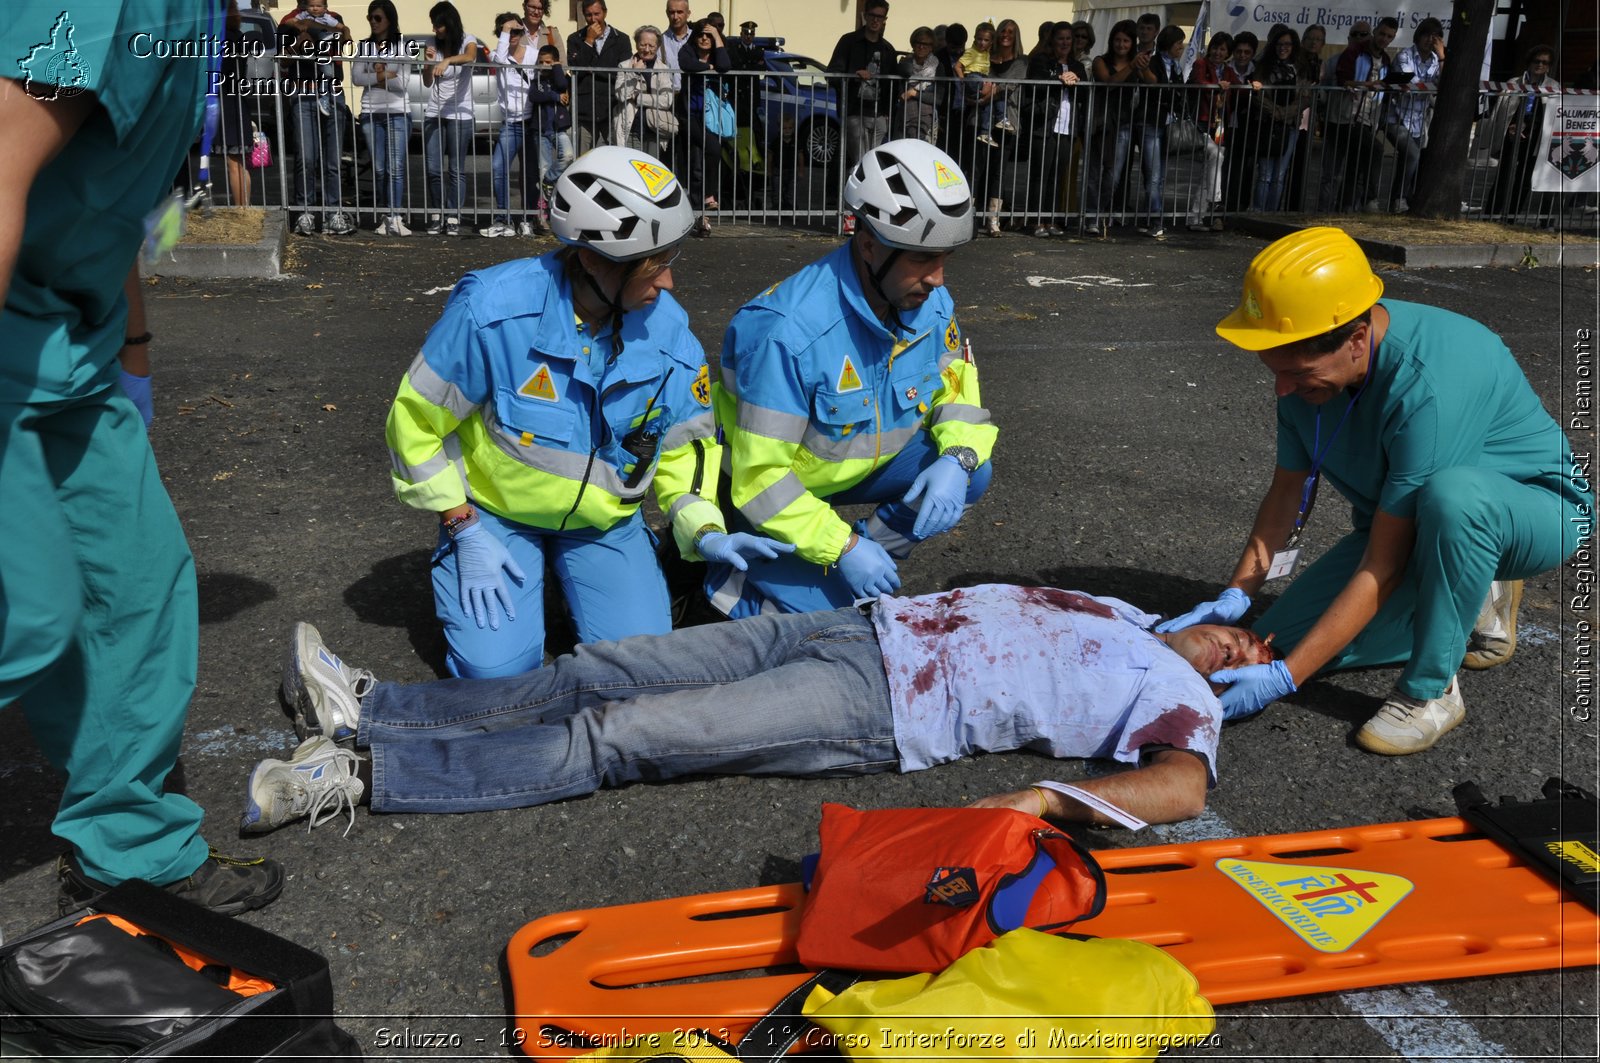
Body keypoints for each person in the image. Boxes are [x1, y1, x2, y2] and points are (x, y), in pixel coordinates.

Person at [242, 586, 1280, 834]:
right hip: (841, 623)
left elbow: (1182, 788)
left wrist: (1030, 805)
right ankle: (379, 706)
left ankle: (366, 775)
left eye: (1255, 655)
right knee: (595, 668)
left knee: (627, 736)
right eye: (1243, 629)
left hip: (878, 702)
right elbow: (1242, 580)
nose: (1242, 642)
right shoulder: (1129, 613)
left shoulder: (1185, 697)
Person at [2, 0, 283, 915]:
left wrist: (133, 354)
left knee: (136, 586)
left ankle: (128, 851)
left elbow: (106, 201)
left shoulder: (190, 10)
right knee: (25, 615)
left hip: (65, 346)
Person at [1165, 227, 1592, 755]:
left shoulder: (1431, 381)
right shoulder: (1308, 375)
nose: (1282, 389)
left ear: (1357, 340)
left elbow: (1385, 562)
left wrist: (1289, 680)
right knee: (1273, 645)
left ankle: (1432, 689)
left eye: (1297, 373)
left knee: (1453, 498)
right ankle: (1467, 589)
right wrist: (1237, 595)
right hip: (1410, 529)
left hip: (1530, 514)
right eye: (1274, 370)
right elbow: (1284, 494)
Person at [381, 147, 783, 683]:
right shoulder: (493, 313)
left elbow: (685, 451)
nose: (668, 285)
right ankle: (518, 581)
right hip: (495, 518)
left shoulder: (670, 337)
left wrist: (706, 531)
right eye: (654, 266)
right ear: (593, 260)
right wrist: (462, 525)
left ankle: (573, 584)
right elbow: (414, 425)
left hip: (603, 525)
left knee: (640, 670)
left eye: (670, 261)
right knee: (496, 674)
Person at [706, 140, 995, 619]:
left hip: (848, 472)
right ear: (868, 245)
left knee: (971, 473)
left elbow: (957, 397)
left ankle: (865, 549)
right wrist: (840, 549)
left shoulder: (930, 304)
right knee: (838, 626)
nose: (939, 279)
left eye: (944, 258)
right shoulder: (787, 332)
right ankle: (728, 578)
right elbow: (760, 481)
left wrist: (959, 458)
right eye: (923, 259)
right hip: (766, 495)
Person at [280, 0, 355, 234]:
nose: (315, 7)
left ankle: (334, 214)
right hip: (303, 92)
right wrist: (298, 44)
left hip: (332, 92)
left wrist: (334, 32)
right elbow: (282, 59)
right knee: (307, 157)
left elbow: (344, 43)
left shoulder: (333, 17)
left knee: (333, 160)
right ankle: (305, 213)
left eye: (319, 4)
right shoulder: (288, 20)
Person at [352, 0, 411, 235]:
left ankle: (395, 215)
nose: (373, 22)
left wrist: (375, 73)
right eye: (370, 18)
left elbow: (402, 83)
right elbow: (356, 78)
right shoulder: (364, 46)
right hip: (370, 112)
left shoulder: (403, 46)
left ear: (389, 19)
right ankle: (386, 215)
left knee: (395, 167)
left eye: (378, 18)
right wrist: (384, 74)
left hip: (397, 112)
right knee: (378, 169)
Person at [1022, 23, 1084, 236]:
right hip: (1045, 125)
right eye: (1061, 38)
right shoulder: (1041, 61)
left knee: (1058, 176)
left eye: (1068, 38)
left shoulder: (1077, 64)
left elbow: (1084, 93)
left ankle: (1052, 220)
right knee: (1041, 174)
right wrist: (1058, 79)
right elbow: (1034, 83)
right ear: (1053, 41)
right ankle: (1037, 220)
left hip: (1068, 127)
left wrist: (1076, 79)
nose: (1065, 43)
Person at [421, 1, 477, 236]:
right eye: (433, 25)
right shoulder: (433, 43)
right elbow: (427, 81)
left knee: (456, 168)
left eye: (439, 25)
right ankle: (437, 215)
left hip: (460, 113)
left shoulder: (467, 39)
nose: (435, 29)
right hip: (434, 112)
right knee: (433, 168)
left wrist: (447, 60)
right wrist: (428, 62)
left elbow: (470, 56)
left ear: (449, 23)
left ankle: (453, 216)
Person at [482, 10, 539, 238]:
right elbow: (498, 60)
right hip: (511, 124)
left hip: (532, 121)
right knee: (498, 167)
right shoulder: (499, 55)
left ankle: (528, 219)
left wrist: (514, 29)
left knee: (530, 174)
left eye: (517, 31)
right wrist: (505, 31)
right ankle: (503, 219)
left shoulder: (534, 55)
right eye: (508, 31)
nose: (513, 34)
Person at [1086, 20, 1143, 237]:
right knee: (1094, 173)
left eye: (1126, 41)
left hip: (1124, 124)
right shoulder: (1101, 60)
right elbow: (1109, 81)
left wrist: (1142, 66)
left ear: (1132, 44)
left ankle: (1102, 211)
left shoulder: (1136, 64)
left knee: (1113, 176)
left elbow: (1152, 83)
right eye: (1117, 40)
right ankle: (1091, 216)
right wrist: (1131, 66)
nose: (1121, 44)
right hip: (1101, 122)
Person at [1487, 44, 1557, 221]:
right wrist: (1509, 128)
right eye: (1537, 61)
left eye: (1545, 62)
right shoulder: (1514, 82)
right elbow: (1502, 111)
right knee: (1504, 174)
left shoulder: (1553, 86)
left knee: (1525, 178)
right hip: (1512, 133)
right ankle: (1491, 213)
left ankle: (1512, 215)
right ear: (1529, 62)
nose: (1540, 65)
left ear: (1549, 66)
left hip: (1536, 137)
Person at [676, 18, 732, 233]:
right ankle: (703, 203)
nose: (705, 39)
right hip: (689, 115)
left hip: (711, 116)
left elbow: (725, 66)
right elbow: (686, 64)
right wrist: (709, 67)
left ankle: (702, 214)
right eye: (702, 34)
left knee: (705, 159)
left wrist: (717, 37)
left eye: (709, 36)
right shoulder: (687, 50)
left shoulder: (719, 50)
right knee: (702, 159)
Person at [828, 1, 898, 170]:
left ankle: (868, 195)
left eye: (880, 17)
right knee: (861, 162)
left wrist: (889, 113)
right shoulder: (848, 41)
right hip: (854, 112)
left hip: (879, 114)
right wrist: (854, 77)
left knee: (873, 163)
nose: (875, 20)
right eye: (872, 15)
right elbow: (833, 74)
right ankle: (853, 195)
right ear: (865, 16)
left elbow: (892, 85)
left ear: (885, 20)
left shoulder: (888, 49)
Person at [1384, 18, 1444, 214]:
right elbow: (1413, 85)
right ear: (1418, 36)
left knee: (1412, 160)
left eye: (1435, 37)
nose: (1430, 40)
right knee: (1411, 154)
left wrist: (1442, 57)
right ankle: (1398, 198)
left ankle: (1404, 199)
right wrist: (1431, 88)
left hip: (1419, 120)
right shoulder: (1405, 56)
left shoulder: (1436, 60)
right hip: (1396, 116)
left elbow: (1444, 84)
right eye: (1426, 35)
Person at [1132, 25, 1186, 237]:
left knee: (1160, 176)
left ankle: (1149, 217)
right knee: (1153, 175)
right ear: (1169, 44)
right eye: (1178, 43)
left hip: (1167, 124)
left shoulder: (1176, 65)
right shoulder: (1154, 62)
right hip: (1150, 122)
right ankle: (1156, 218)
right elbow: (1154, 85)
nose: (1181, 47)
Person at [1177, 30, 1230, 231]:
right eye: (1215, 47)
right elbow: (1198, 82)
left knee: (1210, 169)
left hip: (1219, 124)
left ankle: (1195, 217)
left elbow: (1236, 86)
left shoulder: (1227, 69)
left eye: (1222, 49)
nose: (1217, 52)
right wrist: (1216, 86)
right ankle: (1216, 197)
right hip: (1201, 120)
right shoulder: (1201, 64)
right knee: (1216, 156)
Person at [1253, 27, 1307, 212]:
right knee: (1265, 175)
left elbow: (1305, 97)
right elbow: (1259, 96)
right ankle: (1258, 214)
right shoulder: (1263, 67)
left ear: (1293, 46)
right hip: (1267, 124)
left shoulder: (1299, 69)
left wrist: (1285, 114)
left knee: (1279, 175)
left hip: (1290, 126)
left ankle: (1271, 214)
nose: (1283, 47)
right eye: (1280, 43)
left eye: (1287, 44)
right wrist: (1276, 112)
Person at [567, 0, 632, 154]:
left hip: (611, 108)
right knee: (582, 160)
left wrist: (593, 70)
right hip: (584, 111)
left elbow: (622, 72)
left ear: (605, 12)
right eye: (589, 15)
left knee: (614, 157)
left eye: (597, 14)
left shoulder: (621, 39)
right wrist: (588, 41)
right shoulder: (575, 39)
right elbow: (576, 71)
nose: (593, 19)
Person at [614, 25, 678, 157]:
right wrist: (634, 73)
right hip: (631, 128)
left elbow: (667, 101)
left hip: (655, 128)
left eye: (651, 45)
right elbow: (621, 95)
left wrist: (638, 98)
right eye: (643, 45)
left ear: (658, 46)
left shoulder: (664, 69)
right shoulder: (624, 66)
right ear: (636, 44)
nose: (647, 49)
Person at [529, 44, 575, 223]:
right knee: (543, 168)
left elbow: (563, 84)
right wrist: (555, 97)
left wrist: (557, 66)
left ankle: (549, 180)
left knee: (568, 156)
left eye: (548, 62)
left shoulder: (559, 78)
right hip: (540, 131)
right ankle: (543, 211)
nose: (543, 66)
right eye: (540, 62)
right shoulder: (536, 81)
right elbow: (534, 96)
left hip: (558, 128)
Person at [960, 22, 1007, 147]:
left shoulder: (986, 53)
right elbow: (958, 66)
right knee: (993, 89)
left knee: (991, 98)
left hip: (982, 77)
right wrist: (963, 81)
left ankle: (986, 131)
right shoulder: (971, 52)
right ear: (974, 38)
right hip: (973, 77)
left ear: (991, 42)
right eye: (979, 39)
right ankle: (1000, 117)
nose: (982, 43)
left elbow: (986, 59)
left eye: (986, 40)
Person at [896, 26, 945, 144]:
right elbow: (901, 94)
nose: (921, 46)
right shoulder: (905, 64)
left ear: (932, 47)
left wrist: (914, 93)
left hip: (927, 119)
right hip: (905, 117)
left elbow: (937, 98)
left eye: (926, 44)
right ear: (913, 44)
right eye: (918, 42)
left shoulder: (938, 66)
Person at [660, 0, 692, 69]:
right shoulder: (659, 42)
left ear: (688, 13)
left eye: (680, 12)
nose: (675, 17)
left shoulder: (697, 39)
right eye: (672, 12)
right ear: (667, 13)